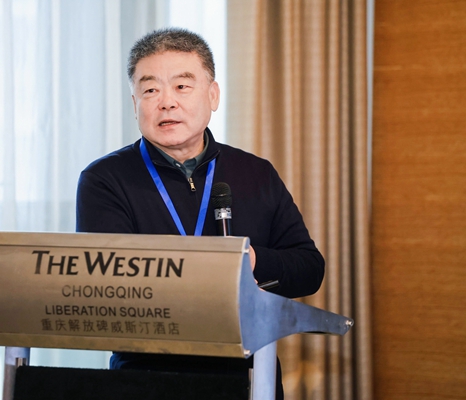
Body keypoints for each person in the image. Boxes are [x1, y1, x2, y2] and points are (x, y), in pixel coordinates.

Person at [76, 27, 324, 400]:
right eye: (150, 90)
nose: (166, 102)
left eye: (182, 86)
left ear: (213, 95)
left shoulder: (255, 173)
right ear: (135, 104)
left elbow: (309, 268)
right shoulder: (105, 179)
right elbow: (105, 290)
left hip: (248, 375)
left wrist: (252, 260)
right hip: (145, 378)